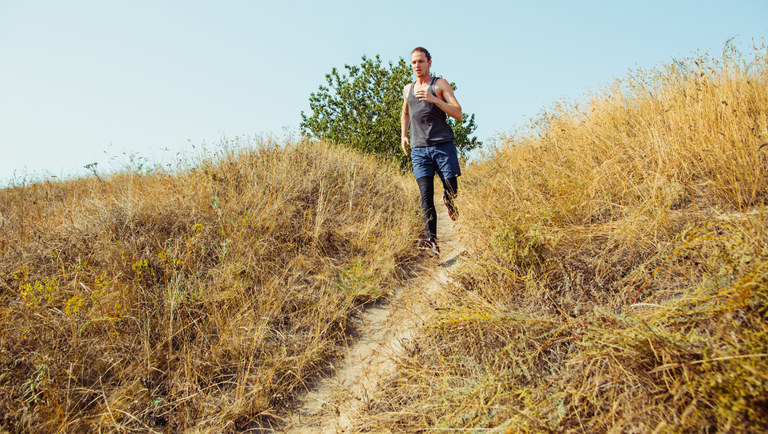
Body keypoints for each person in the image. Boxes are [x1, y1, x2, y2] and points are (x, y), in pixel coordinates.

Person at [400, 47, 462, 256]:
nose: (417, 66)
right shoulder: (408, 89)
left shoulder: (440, 84)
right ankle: (432, 241)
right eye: (413, 62)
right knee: (425, 196)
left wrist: (434, 99)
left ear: (429, 62)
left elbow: (458, 113)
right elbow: (405, 112)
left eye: (421, 61)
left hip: (442, 145)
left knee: (451, 187)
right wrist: (404, 134)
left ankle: (450, 200)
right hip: (419, 150)